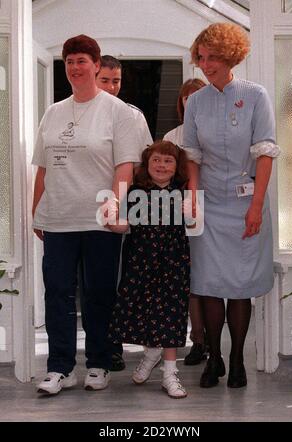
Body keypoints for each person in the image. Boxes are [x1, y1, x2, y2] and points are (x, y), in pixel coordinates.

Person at [32, 34, 142, 395]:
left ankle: (98, 363)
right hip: (59, 219)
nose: (76, 68)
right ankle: (60, 368)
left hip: (100, 221)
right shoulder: (53, 112)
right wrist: (37, 211)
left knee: (98, 294)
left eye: (82, 61)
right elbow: (43, 168)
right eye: (70, 61)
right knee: (58, 293)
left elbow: (125, 167)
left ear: (97, 65)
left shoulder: (119, 112)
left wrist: (113, 205)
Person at [184, 23, 280, 388]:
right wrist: (193, 194)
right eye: (202, 58)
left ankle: (238, 358)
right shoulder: (196, 101)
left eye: (214, 58)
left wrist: (256, 206)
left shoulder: (256, 96)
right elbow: (191, 155)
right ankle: (215, 359)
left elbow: (265, 153)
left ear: (231, 56)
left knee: (239, 285)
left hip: (246, 203)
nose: (206, 65)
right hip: (209, 202)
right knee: (208, 284)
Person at [106, 140, 194, 399]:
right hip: (140, 261)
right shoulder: (136, 191)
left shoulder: (184, 190)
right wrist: (109, 220)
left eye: (168, 161)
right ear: (147, 163)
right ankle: (151, 352)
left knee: (171, 312)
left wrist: (190, 212)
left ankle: (169, 372)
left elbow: (194, 222)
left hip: (174, 261)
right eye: (156, 159)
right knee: (142, 309)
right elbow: (124, 227)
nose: (162, 165)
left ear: (177, 166)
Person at [95, 55, 153, 372]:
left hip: (125, 209)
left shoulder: (133, 115)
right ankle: (100, 347)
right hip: (88, 207)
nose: (112, 86)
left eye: (116, 80)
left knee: (122, 280)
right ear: (93, 77)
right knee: (95, 282)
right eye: (106, 80)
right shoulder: (80, 113)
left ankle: (116, 346)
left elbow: (144, 164)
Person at [164, 78, 209, 366]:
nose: (191, 102)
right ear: (181, 103)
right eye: (186, 98)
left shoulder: (216, 133)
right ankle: (197, 340)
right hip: (182, 212)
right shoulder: (173, 136)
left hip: (216, 209)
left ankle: (211, 340)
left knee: (210, 278)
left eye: (197, 96)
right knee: (188, 280)